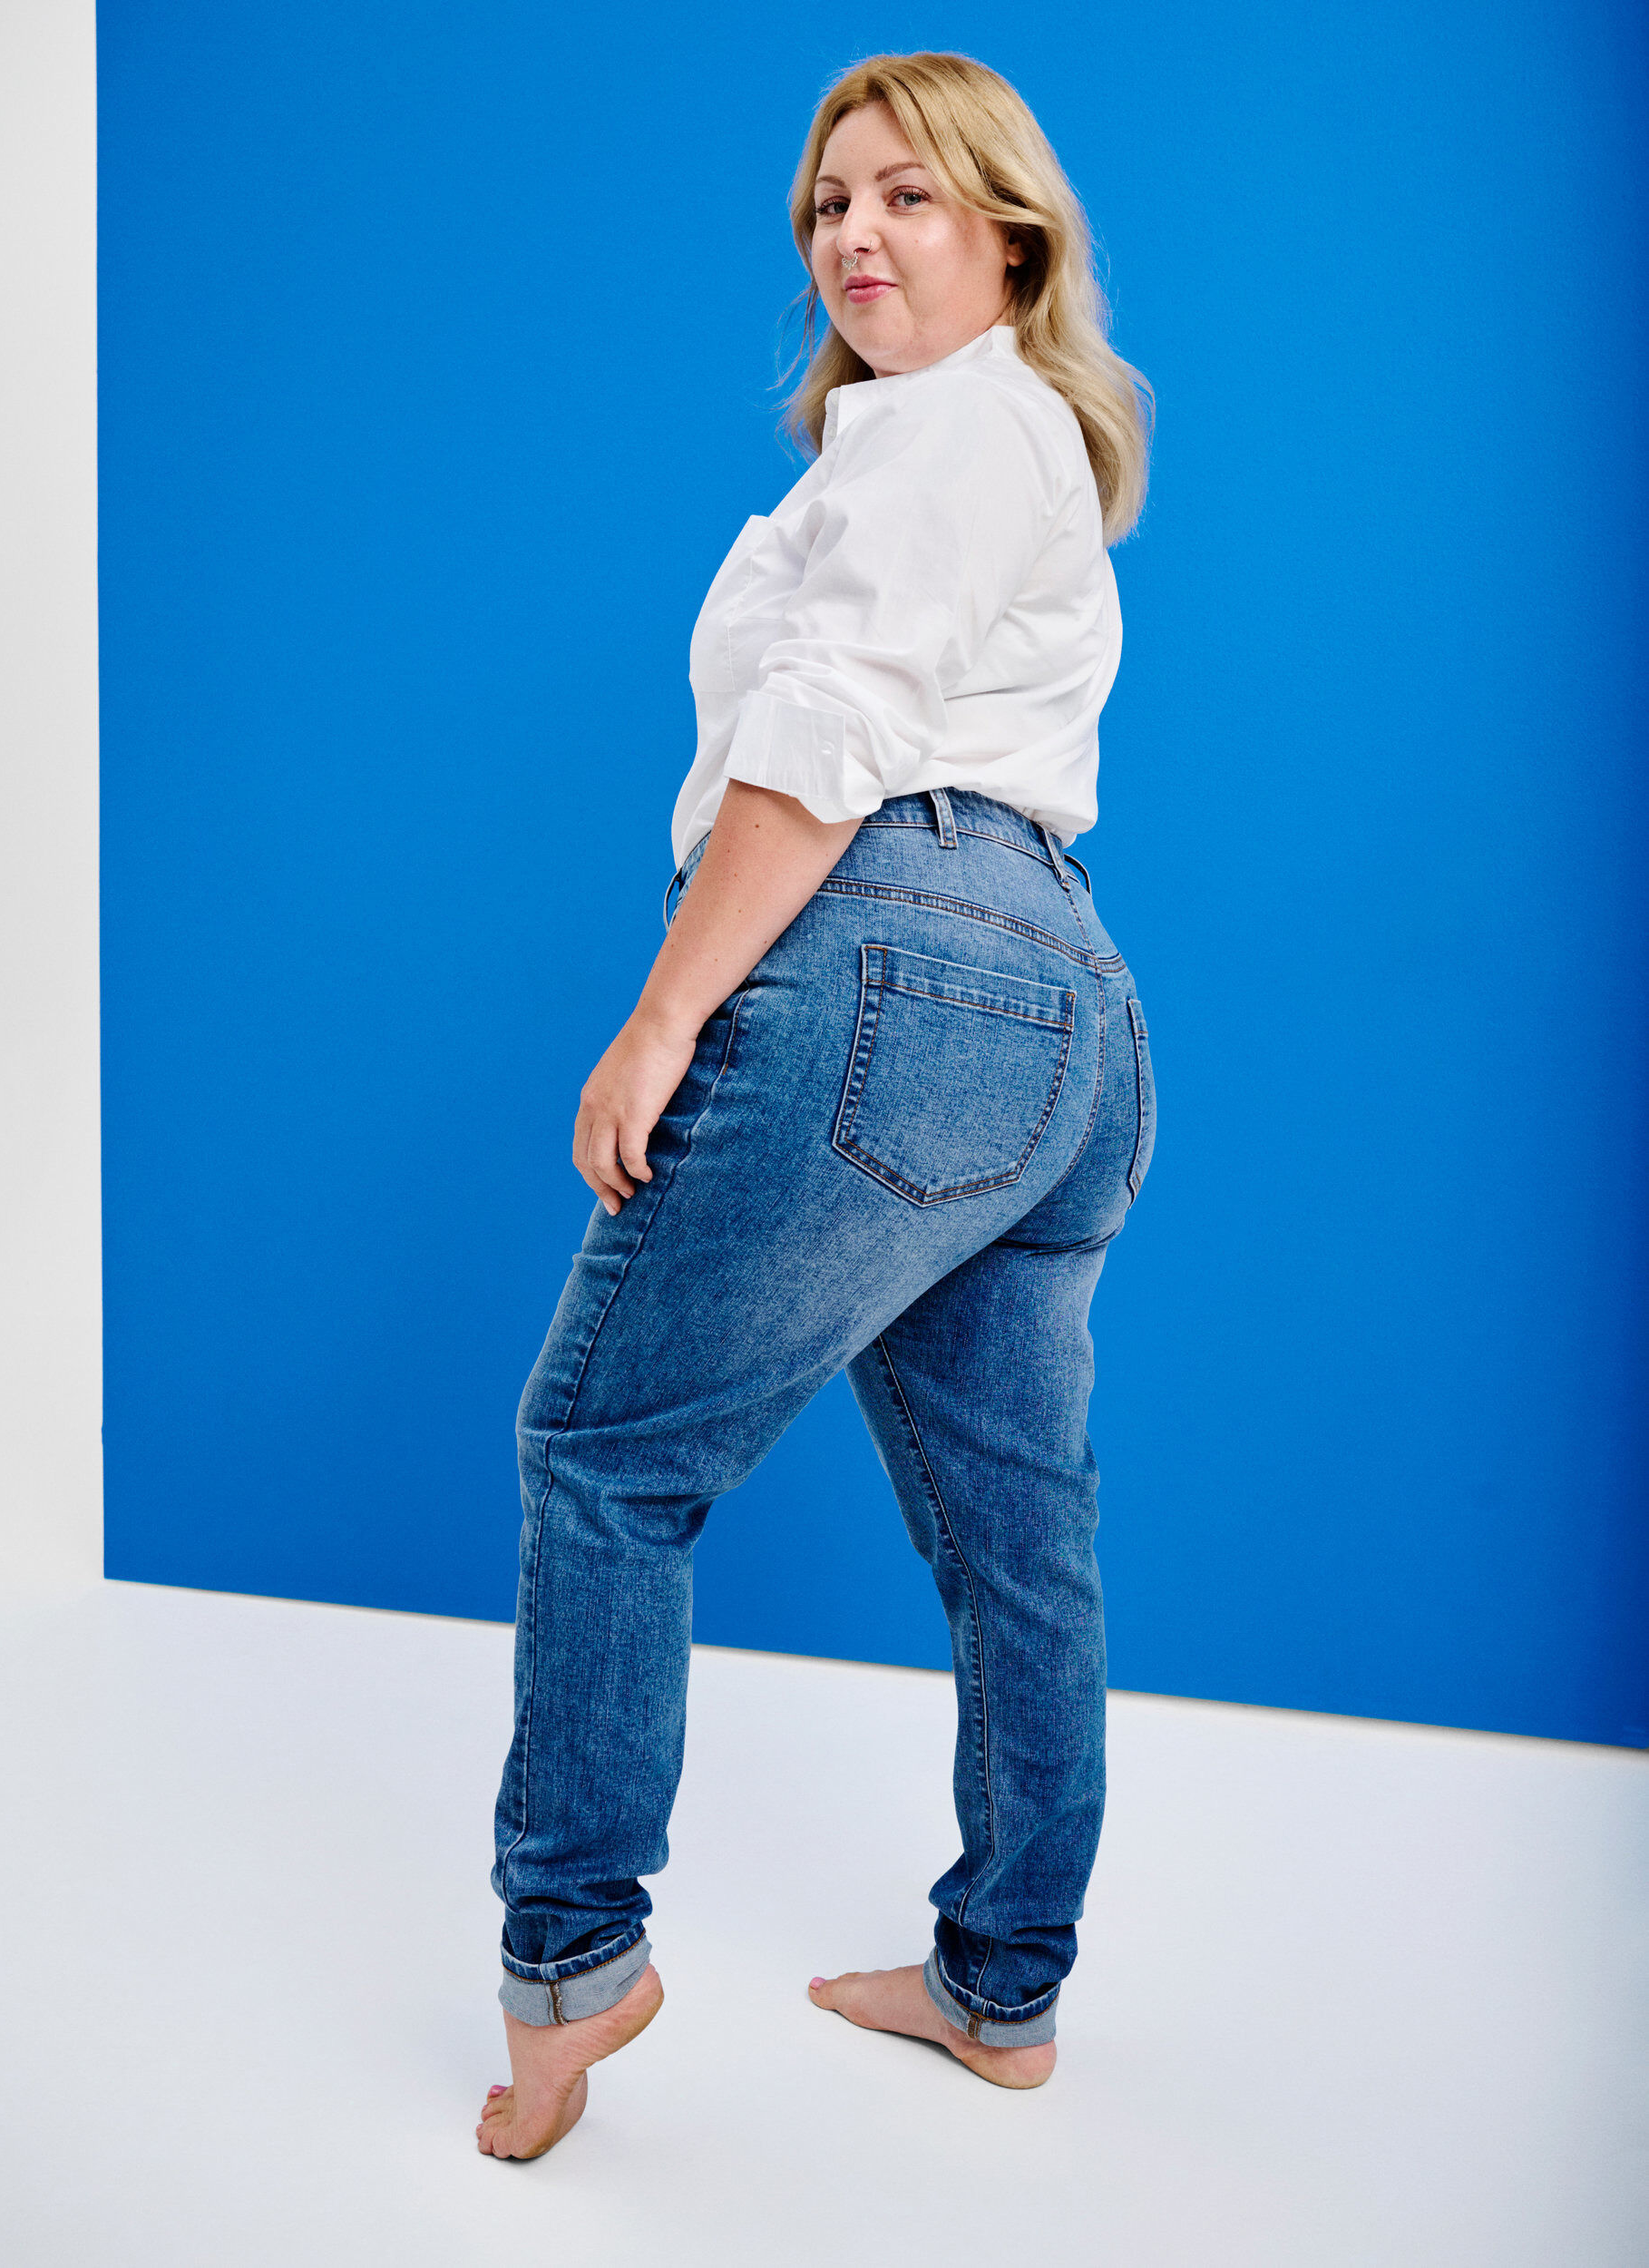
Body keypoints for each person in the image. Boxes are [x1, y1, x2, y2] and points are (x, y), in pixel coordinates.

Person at [476, 49, 1156, 2160]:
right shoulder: (973, 445)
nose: (855, 233)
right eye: (827, 205)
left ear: (1009, 238)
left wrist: (662, 1014)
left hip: (895, 959)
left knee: (602, 1452)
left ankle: (569, 1963)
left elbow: (831, 731)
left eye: (907, 196)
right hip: (1063, 1004)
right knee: (1015, 1528)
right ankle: (1000, 1988)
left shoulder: (960, 425)